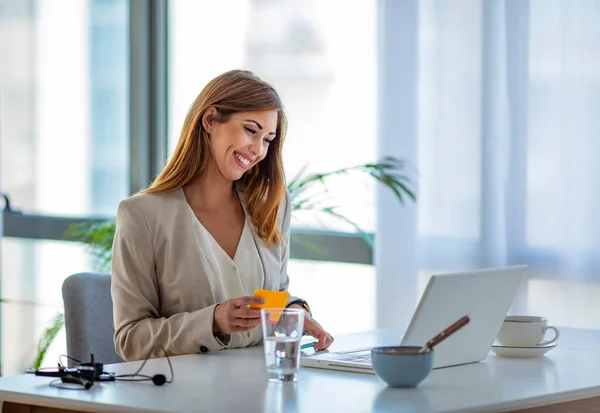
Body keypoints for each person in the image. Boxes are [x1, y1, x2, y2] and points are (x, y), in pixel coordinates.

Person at [111, 69, 334, 361]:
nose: (257, 150)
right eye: (250, 130)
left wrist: (291, 311)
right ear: (210, 120)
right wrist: (212, 322)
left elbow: (271, 296)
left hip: (261, 393)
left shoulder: (272, 205)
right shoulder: (142, 216)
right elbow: (130, 340)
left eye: (268, 139)